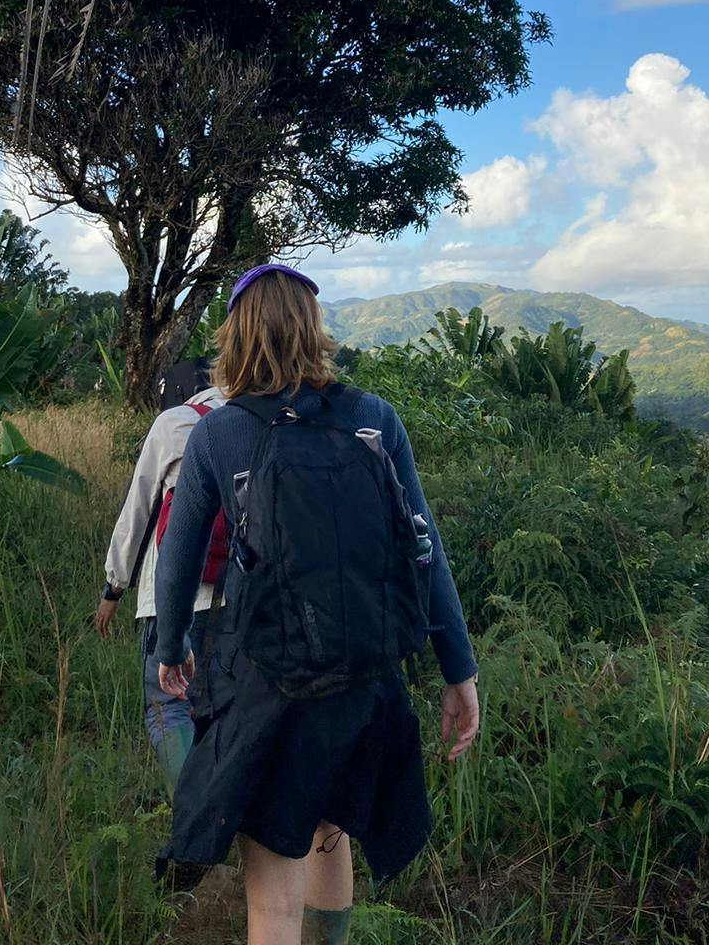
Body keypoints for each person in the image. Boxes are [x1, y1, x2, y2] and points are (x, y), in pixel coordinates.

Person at [154, 264, 480, 945]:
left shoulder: (218, 434)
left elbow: (180, 559)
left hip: (266, 682)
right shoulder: (371, 419)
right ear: (313, 328)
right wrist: (460, 669)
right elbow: (425, 548)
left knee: (274, 900)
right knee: (332, 831)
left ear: (236, 336)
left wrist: (169, 647)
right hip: (364, 677)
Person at [94, 370, 229, 800]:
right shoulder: (272, 422)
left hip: (170, 596)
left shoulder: (177, 424)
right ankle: (232, 814)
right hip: (244, 597)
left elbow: (138, 509)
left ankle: (192, 816)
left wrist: (113, 588)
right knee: (229, 709)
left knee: (169, 707)